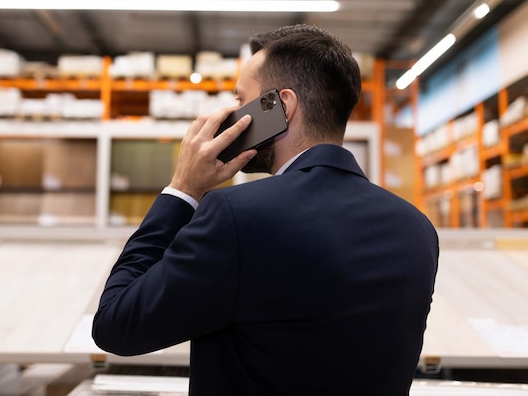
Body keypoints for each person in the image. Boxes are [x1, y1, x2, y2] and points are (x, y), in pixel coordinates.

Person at [92, 24, 439, 396]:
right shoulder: (417, 229)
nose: (233, 115)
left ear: (281, 106)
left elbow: (117, 324)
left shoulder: (237, 216)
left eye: (243, 100)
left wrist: (183, 189)